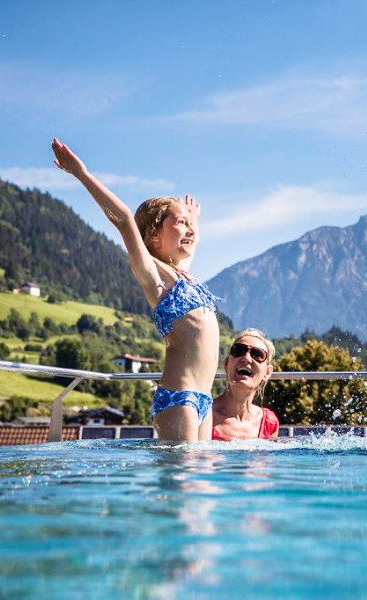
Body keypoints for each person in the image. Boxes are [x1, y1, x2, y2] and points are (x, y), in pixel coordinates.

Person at [51, 138, 219, 442]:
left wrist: (193, 221)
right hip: (179, 397)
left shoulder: (183, 276)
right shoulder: (152, 274)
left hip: (203, 398)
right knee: (182, 483)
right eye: (180, 223)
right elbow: (124, 219)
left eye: (190, 225)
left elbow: (192, 242)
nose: (191, 230)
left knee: (199, 484)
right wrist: (81, 174)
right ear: (153, 236)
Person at [213, 329, 279, 440]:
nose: (246, 358)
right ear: (226, 364)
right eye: (238, 351)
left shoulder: (269, 423)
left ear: (267, 373)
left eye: (257, 354)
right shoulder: (203, 415)